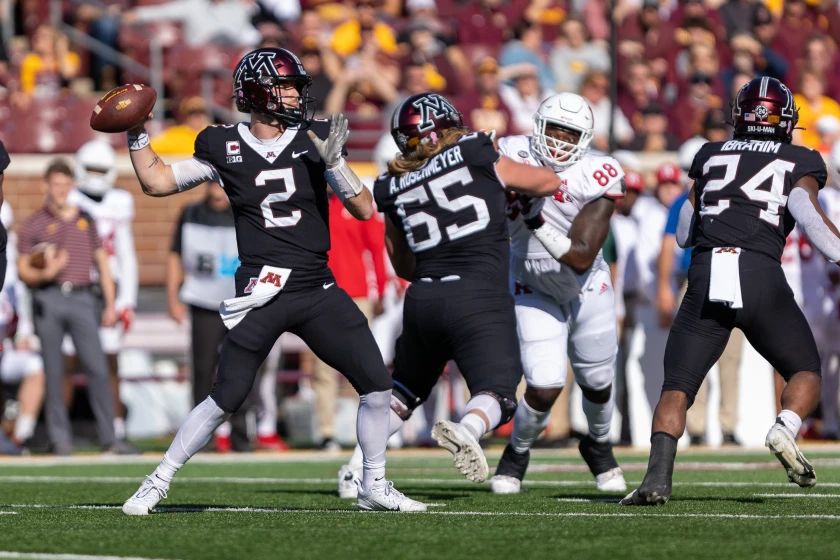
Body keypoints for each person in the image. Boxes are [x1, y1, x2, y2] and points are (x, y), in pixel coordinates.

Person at [122, 47, 424, 514]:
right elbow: (158, 182)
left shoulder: (316, 137)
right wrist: (137, 133)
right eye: (285, 86)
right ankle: (157, 481)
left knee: (377, 383)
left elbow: (365, 210)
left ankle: (373, 485)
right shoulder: (223, 144)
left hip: (315, 286)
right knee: (226, 396)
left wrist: (336, 163)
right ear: (259, 92)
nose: (295, 95)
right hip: (261, 290)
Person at [622, 77, 840, 506]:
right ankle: (784, 427)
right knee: (805, 371)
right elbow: (807, 216)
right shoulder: (800, 159)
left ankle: (656, 480)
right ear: (785, 120)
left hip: (706, 273)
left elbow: (684, 232)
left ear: (739, 116)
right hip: (759, 272)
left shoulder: (710, 154)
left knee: (677, 386)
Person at [337, 92, 561, 497]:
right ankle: (469, 427)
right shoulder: (475, 152)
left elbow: (402, 265)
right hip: (478, 294)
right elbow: (548, 181)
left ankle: (356, 469)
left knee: (404, 392)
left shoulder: (392, 183)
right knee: (498, 392)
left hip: (423, 299)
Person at [489, 93, 627, 494]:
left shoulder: (599, 170)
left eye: (571, 135)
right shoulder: (511, 151)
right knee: (544, 383)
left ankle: (599, 445)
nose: (561, 142)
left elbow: (581, 257)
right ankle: (517, 452)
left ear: (586, 139)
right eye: (555, 131)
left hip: (586, 284)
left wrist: (534, 220)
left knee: (598, 380)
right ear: (537, 127)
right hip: (530, 283)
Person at [16, 160, 121, 456]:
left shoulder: (85, 219)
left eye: (66, 185)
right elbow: (23, 269)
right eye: (56, 184)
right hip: (48, 297)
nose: (61, 191)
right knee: (53, 370)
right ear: (45, 186)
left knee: (97, 367)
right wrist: (45, 274)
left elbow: (102, 262)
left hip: (83, 297)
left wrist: (111, 304)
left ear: (72, 186)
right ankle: (60, 440)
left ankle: (110, 438)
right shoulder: (34, 223)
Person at [64, 140, 139, 449]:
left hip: (108, 291)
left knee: (109, 363)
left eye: (100, 170)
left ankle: (116, 432)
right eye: (90, 169)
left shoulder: (119, 201)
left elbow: (126, 253)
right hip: (75, 287)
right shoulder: (67, 198)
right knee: (66, 362)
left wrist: (127, 301)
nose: (95, 176)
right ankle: (59, 432)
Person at [310, 185, 387, 452]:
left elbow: (376, 247)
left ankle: (366, 432)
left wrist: (381, 290)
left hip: (358, 295)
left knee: (362, 364)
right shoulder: (309, 203)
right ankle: (327, 432)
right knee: (323, 368)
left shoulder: (356, 203)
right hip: (320, 293)